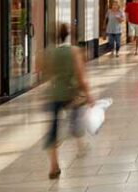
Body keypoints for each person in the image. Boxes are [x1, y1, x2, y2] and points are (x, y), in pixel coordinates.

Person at [44, 24, 93, 180]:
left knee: (52, 130)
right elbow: (81, 75)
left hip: (53, 94)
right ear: (69, 35)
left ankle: (53, 166)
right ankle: (80, 144)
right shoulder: (74, 51)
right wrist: (88, 94)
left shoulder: (49, 53)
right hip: (71, 93)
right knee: (76, 119)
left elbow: (46, 74)